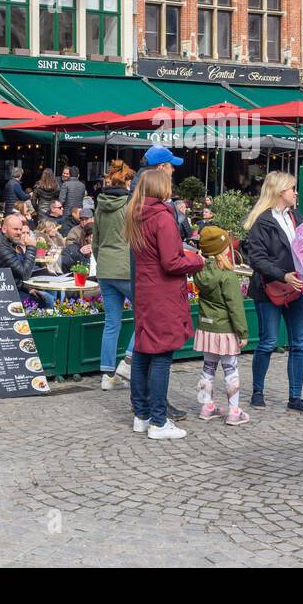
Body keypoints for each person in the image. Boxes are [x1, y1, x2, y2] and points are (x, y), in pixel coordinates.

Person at [126, 168, 203, 440]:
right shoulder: (162, 217)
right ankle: (159, 421)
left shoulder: (136, 213)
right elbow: (171, 262)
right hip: (163, 292)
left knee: (143, 352)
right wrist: (197, 261)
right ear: (162, 188)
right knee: (161, 356)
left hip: (145, 289)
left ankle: (142, 415)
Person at [244, 171, 303, 416]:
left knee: (299, 344)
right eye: (293, 188)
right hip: (270, 288)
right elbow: (256, 258)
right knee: (268, 342)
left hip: (298, 289)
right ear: (280, 191)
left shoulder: (296, 216)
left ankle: (296, 397)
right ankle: (257, 392)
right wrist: (283, 275)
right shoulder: (263, 221)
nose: (296, 192)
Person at [193, 225, 250, 426]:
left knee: (207, 368)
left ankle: (206, 406)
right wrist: (242, 332)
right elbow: (235, 307)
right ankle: (234, 410)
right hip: (225, 330)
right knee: (230, 369)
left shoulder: (199, 273)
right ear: (223, 249)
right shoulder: (228, 276)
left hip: (206, 327)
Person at [94, 160, 135, 391]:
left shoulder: (100, 204)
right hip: (126, 267)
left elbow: (96, 241)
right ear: (128, 181)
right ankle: (128, 362)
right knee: (145, 318)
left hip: (105, 268)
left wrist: (102, 263)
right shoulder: (130, 203)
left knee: (111, 323)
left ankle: (107, 375)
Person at [0, 211, 54, 308]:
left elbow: (12, 275)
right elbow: (24, 274)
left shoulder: (6, 242)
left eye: (20, 229)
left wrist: (27, 289)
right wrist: (31, 247)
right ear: (4, 229)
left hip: (7, 288)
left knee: (48, 294)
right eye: (15, 229)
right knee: (47, 300)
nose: (19, 233)